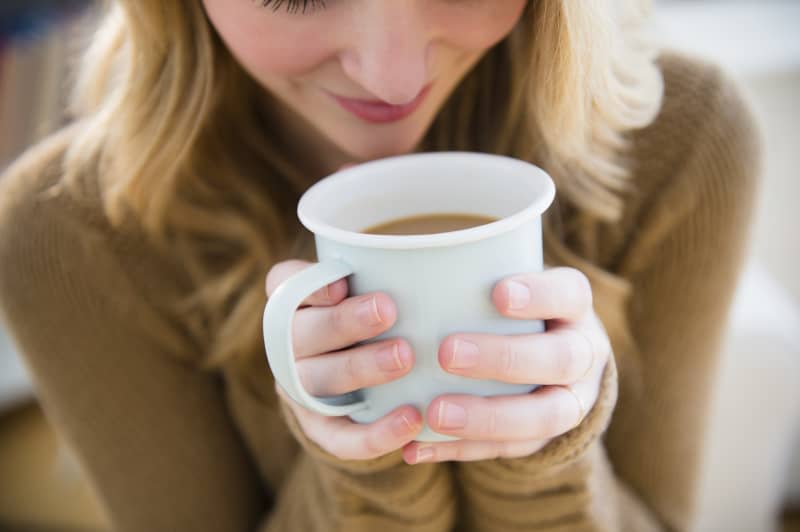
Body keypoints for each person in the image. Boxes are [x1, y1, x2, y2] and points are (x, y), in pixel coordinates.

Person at [0, 1, 761, 531]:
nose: (392, 77)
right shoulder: (66, 235)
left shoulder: (683, 142)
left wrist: (546, 451)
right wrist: (364, 462)